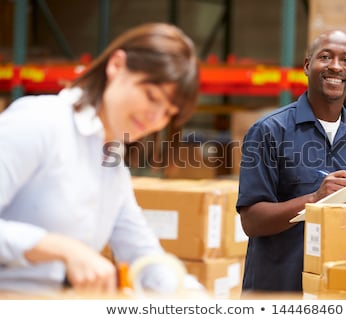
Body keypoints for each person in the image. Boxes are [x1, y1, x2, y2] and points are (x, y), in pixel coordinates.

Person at [0, 23, 203, 295]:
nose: (155, 119)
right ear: (117, 65)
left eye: (168, 113)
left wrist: (200, 299)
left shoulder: (112, 162)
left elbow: (141, 252)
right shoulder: (40, 122)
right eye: (151, 96)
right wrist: (59, 248)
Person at [236, 30, 346, 293]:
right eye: (325, 57)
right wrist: (314, 199)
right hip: (279, 294)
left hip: (343, 292)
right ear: (307, 66)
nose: (335, 66)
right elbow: (252, 221)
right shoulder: (269, 131)